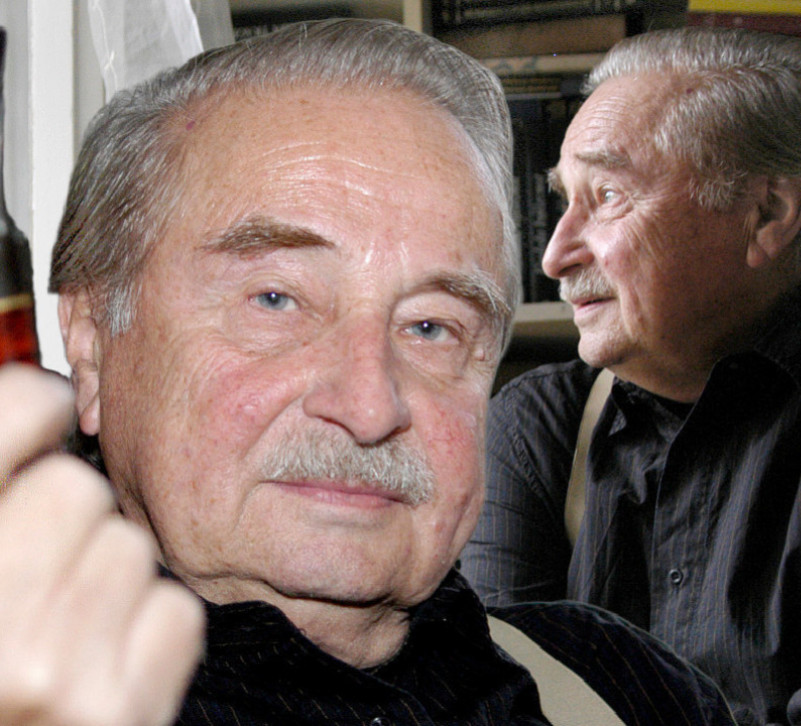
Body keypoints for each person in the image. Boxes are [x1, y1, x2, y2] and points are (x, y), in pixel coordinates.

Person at [0, 19, 736, 726]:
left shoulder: (624, 688)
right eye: (276, 299)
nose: (369, 405)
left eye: (430, 327)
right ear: (92, 346)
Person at [463, 26, 801, 726]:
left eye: (607, 195)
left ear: (768, 215)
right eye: (563, 200)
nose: (554, 255)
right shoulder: (536, 429)